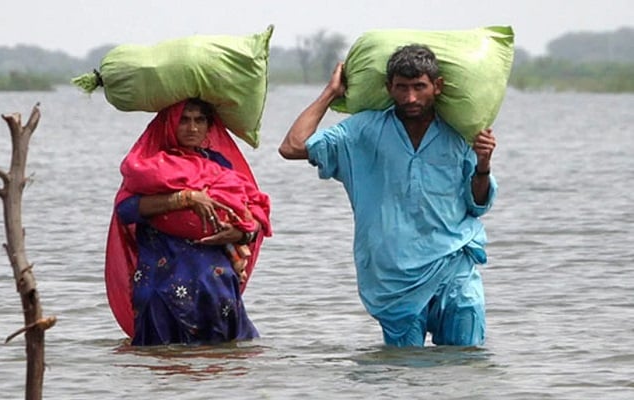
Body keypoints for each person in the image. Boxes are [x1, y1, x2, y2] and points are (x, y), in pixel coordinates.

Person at [278, 44, 498, 347]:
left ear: (437, 87)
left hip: (453, 269)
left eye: (419, 87)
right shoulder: (363, 131)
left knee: (464, 368)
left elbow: (477, 204)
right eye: (401, 88)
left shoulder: (459, 133)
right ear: (388, 88)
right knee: (401, 374)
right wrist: (330, 93)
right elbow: (292, 146)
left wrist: (483, 165)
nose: (410, 98)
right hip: (394, 278)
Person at [105, 97, 271, 346]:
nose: (192, 128)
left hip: (215, 288)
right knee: (162, 369)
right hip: (163, 287)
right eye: (183, 120)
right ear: (169, 124)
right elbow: (126, 210)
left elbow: (253, 212)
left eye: (199, 120)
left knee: (224, 367)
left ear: (208, 125)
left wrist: (238, 234)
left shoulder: (219, 164)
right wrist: (186, 198)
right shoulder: (151, 169)